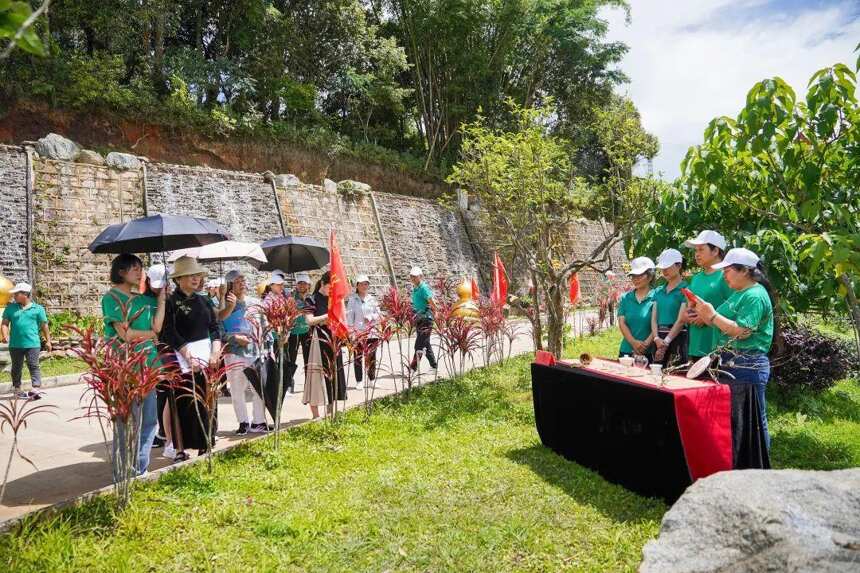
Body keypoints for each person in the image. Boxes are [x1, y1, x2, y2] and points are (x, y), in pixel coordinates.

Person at [691, 248, 776, 450]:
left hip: (746, 364)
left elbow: (742, 332)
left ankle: (757, 465)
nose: (724, 275)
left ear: (744, 271)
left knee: (752, 421)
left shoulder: (754, 295)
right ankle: (740, 462)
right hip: (730, 362)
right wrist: (703, 311)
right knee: (736, 420)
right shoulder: (740, 293)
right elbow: (722, 324)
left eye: (727, 270)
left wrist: (711, 315)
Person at [101, 254, 166, 477]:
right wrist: (150, 335)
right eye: (134, 268)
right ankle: (122, 471)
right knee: (126, 420)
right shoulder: (111, 298)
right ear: (121, 271)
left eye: (141, 268)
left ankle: (140, 468)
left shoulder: (145, 300)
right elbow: (126, 335)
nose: (140, 272)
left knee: (149, 419)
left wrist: (163, 297)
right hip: (125, 368)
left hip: (149, 365)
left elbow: (158, 325)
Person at [162, 256, 223, 461]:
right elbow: (170, 332)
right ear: (179, 279)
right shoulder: (171, 302)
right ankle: (181, 448)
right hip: (182, 359)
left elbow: (214, 328)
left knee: (207, 400)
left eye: (197, 275)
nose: (195, 279)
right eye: (190, 275)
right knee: (183, 402)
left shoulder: (204, 300)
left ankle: (206, 442)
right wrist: (188, 357)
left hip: (207, 358)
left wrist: (215, 352)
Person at [218, 269, 268, 434]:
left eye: (243, 280)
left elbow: (263, 325)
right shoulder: (221, 306)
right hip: (234, 352)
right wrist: (235, 339)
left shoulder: (254, 303)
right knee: (237, 389)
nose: (242, 284)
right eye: (237, 281)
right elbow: (219, 332)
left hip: (254, 350)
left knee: (258, 387)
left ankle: (259, 422)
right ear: (229, 285)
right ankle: (243, 422)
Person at [684, 230, 733, 361]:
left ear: (715, 251)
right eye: (695, 251)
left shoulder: (727, 276)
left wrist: (708, 317)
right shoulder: (696, 278)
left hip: (718, 346)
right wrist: (689, 314)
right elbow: (692, 305)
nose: (697, 254)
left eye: (701, 250)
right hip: (696, 344)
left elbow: (734, 307)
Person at [303, 271, 347, 418]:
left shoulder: (333, 299)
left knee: (333, 377)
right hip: (317, 342)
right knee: (316, 378)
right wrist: (327, 316)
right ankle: (315, 415)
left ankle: (330, 412)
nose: (331, 291)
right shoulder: (311, 299)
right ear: (322, 283)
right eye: (330, 287)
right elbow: (309, 320)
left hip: (333, 341)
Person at [1, 282, 51, 400]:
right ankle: (17, 389)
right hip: (15, 345)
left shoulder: (38, 309)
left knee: (33, 365)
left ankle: (36, 388)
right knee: (16, 367)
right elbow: (4, 323)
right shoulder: (11, 308)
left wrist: (48, 341)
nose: (14, 296)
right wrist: (4, 334)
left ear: (25, 294)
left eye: (16, 294)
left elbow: (44, 326)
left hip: (33, 343)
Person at [651, 249, 689, 366]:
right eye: (662, 267)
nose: (664, 270)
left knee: (676, 374)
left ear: (679, 265)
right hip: (659, 337)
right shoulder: (658, 290)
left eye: (668, 266)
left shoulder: (686, 289)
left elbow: (681, 320)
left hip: (678, 337)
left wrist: (666, 342)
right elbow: (653, 319)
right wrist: (657, 338)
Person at [346, 274, 381, 390]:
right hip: (358, 333)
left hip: (371, 332)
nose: (364, 286)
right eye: (361, 284)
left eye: (366, 284)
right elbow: (349, 317)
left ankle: (371, 379)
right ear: (357, 285)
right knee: (358, 357)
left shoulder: (372, 299)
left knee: (372, 357)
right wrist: (351, 333)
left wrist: (371, 317)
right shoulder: (352, 300)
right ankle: (359, 380)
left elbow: (379, 314)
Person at [617, 257, 656, 359]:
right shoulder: (625, 298)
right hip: (627, 351)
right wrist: (633, 342)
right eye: (633, 276)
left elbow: (658, 323)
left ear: (650, 276)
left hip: (649, 352)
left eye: (640, 275)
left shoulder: (657, 297)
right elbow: (622, 323)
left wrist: (646, 344)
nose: (635, 279)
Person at [286, 272, 314, 393]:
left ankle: (308, 384)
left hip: (307, 331)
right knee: (291, 358)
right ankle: (289, 382)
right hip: (295, 331)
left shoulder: (311, 298)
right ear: (297, 285)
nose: (302, 286)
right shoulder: (291, 297)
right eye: (300, 283)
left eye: (304, 283)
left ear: (308, 285)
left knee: (309, 358)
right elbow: (288, 312)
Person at [408, 266, 437, 371]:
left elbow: (431, 301)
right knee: (425, 342)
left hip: (426, 319)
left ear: (421, 276)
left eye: (415, 277)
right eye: (412, 277)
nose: (413, 278)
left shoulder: (423, 288)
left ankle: (413, 367)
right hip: (419, 319)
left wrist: (436, 313)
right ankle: (434, 365)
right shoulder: (415, 288)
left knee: (419, 344)